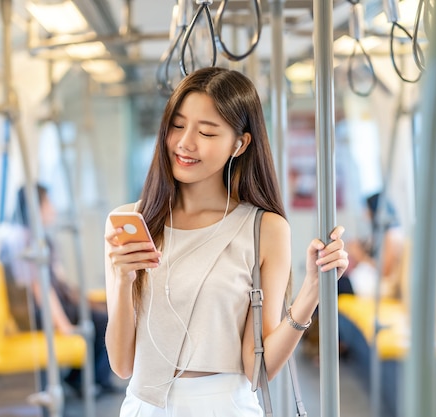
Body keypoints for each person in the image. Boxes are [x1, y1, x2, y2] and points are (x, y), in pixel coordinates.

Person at [104, 67, 349, 416]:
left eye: (206, 131)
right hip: (143, 406)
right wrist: (124, 279)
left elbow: (258, 369)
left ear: (240, 143)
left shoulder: (264, 229)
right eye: (177, 125)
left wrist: (312, 289)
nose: (185, 142)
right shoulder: (130, 222)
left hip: (224, 405)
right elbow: (122, 364)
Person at [0, 184, 116, 396]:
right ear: (35, 208)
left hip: (59, 300)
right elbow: (40, 289)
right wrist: (63, 325)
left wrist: (84, 300)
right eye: (48, 204)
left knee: (106, 309)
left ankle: (85, 378)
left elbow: (59, 280)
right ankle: (84, 380)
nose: (53, 209)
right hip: (36, 312)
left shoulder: (42, 238)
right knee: (104, 319)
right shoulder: (25, 241)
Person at [341, 192, 405, 299]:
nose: (364, 214)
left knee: (334, 285)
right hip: (370, 279)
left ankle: (311, 315)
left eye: (367, 209)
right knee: (333, 282)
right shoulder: (383, 232)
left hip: (381, 285)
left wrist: (360, 256)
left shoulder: (391, 235)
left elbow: (385, 271)